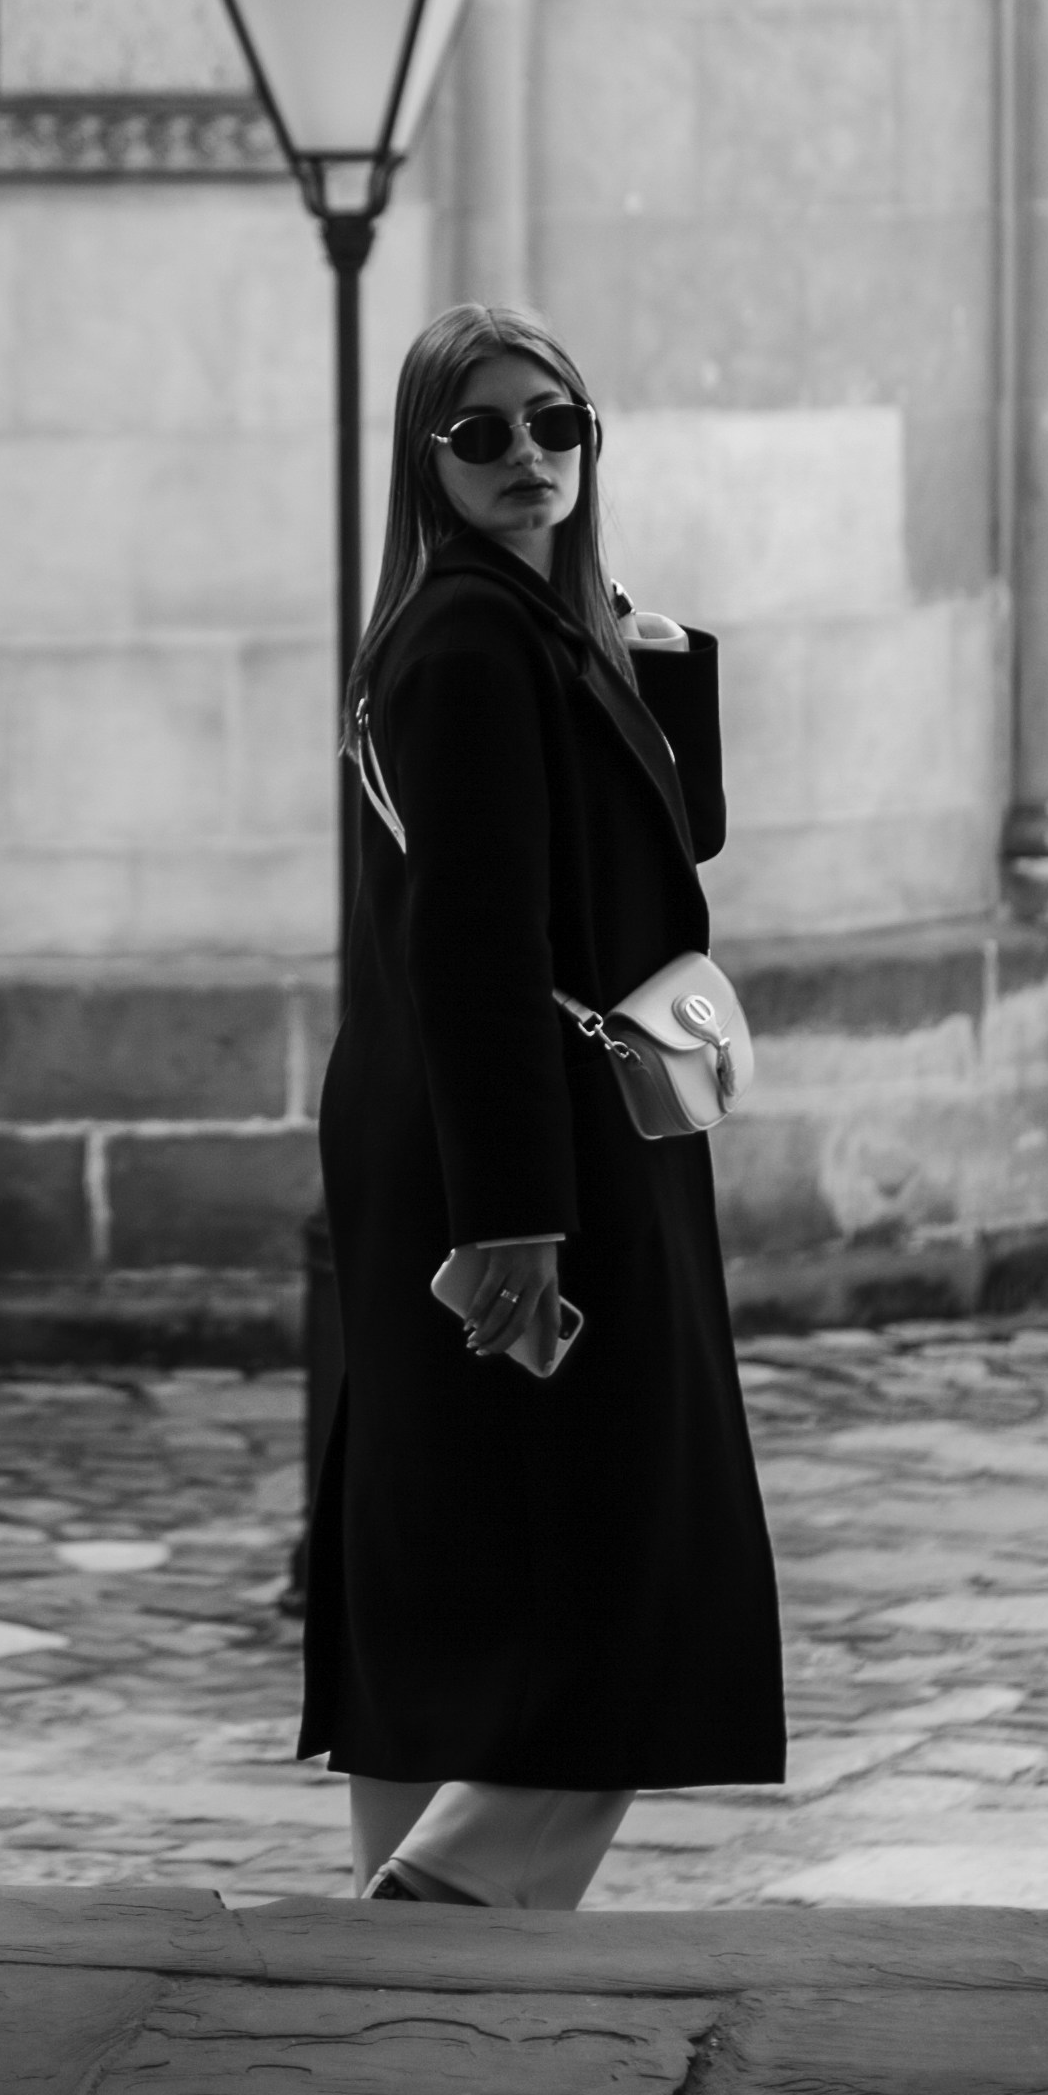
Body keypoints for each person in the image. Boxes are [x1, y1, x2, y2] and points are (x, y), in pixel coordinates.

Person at [296, 300, 784, 1907]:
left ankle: (418, 1926)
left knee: (455, 1524)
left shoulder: (513, 624)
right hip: (531, 1135)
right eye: (486, 432)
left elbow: (670, 844)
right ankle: (455, 1891)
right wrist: (514, 1215)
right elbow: (476, 943)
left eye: (558, 425)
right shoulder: (468, 646)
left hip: (514, 1122)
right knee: (645, 1542)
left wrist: (640, 649)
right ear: (424, 459)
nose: (530, 456)